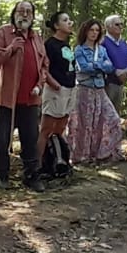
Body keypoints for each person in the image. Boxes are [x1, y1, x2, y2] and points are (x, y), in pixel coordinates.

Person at [0, 0, 52, 191]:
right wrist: (11, 49)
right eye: (21, 11)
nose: (25, 15)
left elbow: (44, 65)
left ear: (33, 16)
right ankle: (2, 175)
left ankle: (31, 175)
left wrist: (40, 85)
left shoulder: (36, 37)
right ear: (14, 13)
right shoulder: (4, 33)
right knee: (3, 139)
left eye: (28, 11)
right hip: (8, 98)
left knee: (31, 139)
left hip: (31, 98)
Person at [69, 19, 126, 163]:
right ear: (85, 31)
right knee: (85, 123)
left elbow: (110, 67)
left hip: (99, 89)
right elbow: (84, 67)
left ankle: (102, 152)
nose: (94, 33)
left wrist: (96, 66)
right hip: (85, 89)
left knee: (111, 118)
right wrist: (100, 66)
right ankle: (82, 155)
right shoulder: (80, 49)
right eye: (91, 30)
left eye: (96, 30)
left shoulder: (102, 50)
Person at [39, 11, 78, 179]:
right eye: (65, 20)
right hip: (55, 90)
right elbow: (42, 67)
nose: (70, 23)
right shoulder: (50, 44)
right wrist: (53, 83)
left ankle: (58, 159)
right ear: (56, 25)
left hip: (69, 89)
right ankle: (38, 165)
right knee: (47, 128)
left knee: (61, 127)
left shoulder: (66, 46)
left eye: (69, 20)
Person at [100, 14, 127, 114]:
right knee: (106, 112)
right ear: (107, 26)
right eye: (117, 24)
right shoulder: (103, 42)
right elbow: (102, 61)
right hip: (108, 82)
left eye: (122, 24)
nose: (120, 27)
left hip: (121, 82)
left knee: (116, 112)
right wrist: (116, 72)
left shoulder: (123, 43)